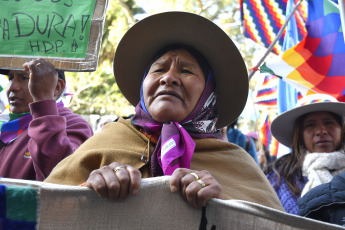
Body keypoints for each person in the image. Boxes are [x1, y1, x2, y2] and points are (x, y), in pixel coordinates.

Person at [45, 11, 284, 211]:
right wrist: (87, 192)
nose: (169, 78)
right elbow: (43, 209)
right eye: (158, 69)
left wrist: (222, 209)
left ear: (209, 95)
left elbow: (272, 223)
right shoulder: (108, 139)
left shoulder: (236, 163)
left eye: (187, 71)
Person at [0, 59, 93, 181]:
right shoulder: (6, 126)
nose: (12, 87)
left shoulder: (75, 125)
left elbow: (63, 177)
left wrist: (43, 100)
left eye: (24, 77)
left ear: (57, 87)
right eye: (11, 78)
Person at [264, 94, 345, 214]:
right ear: (300, 134)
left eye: (329, 122)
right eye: (310, 125)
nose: (321, 131)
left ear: (341, 129)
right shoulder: (278, 176)